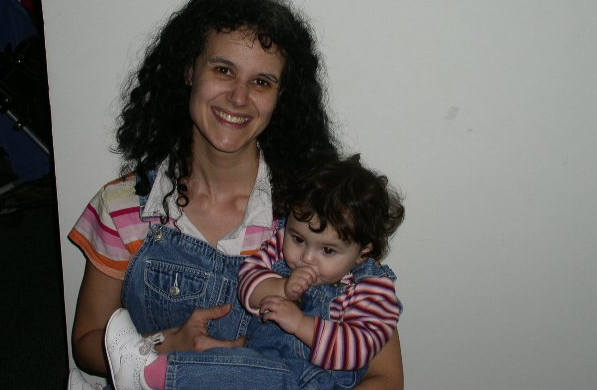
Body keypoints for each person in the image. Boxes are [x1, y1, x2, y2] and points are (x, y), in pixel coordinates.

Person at [67, 0, 405, 389]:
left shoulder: (318, 209)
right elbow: (87, 342)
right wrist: (164, 345)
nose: (239, 97)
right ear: (189, 70)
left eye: (261, 82)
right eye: (223, 70)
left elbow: (385, 377)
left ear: (281, 96)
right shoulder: (124, 205)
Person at [101, 155, 404, 389]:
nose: (306, 258)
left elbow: (360, 348)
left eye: (327, 250)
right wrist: (282, 288)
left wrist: (301, 324)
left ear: (363, 251)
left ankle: (148, 376)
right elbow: (248, 282)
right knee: (229, 364)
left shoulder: (370, 286)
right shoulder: (280, 246)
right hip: (260, 359)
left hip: (311, 380)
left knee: (265, 375)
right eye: (299, 239)